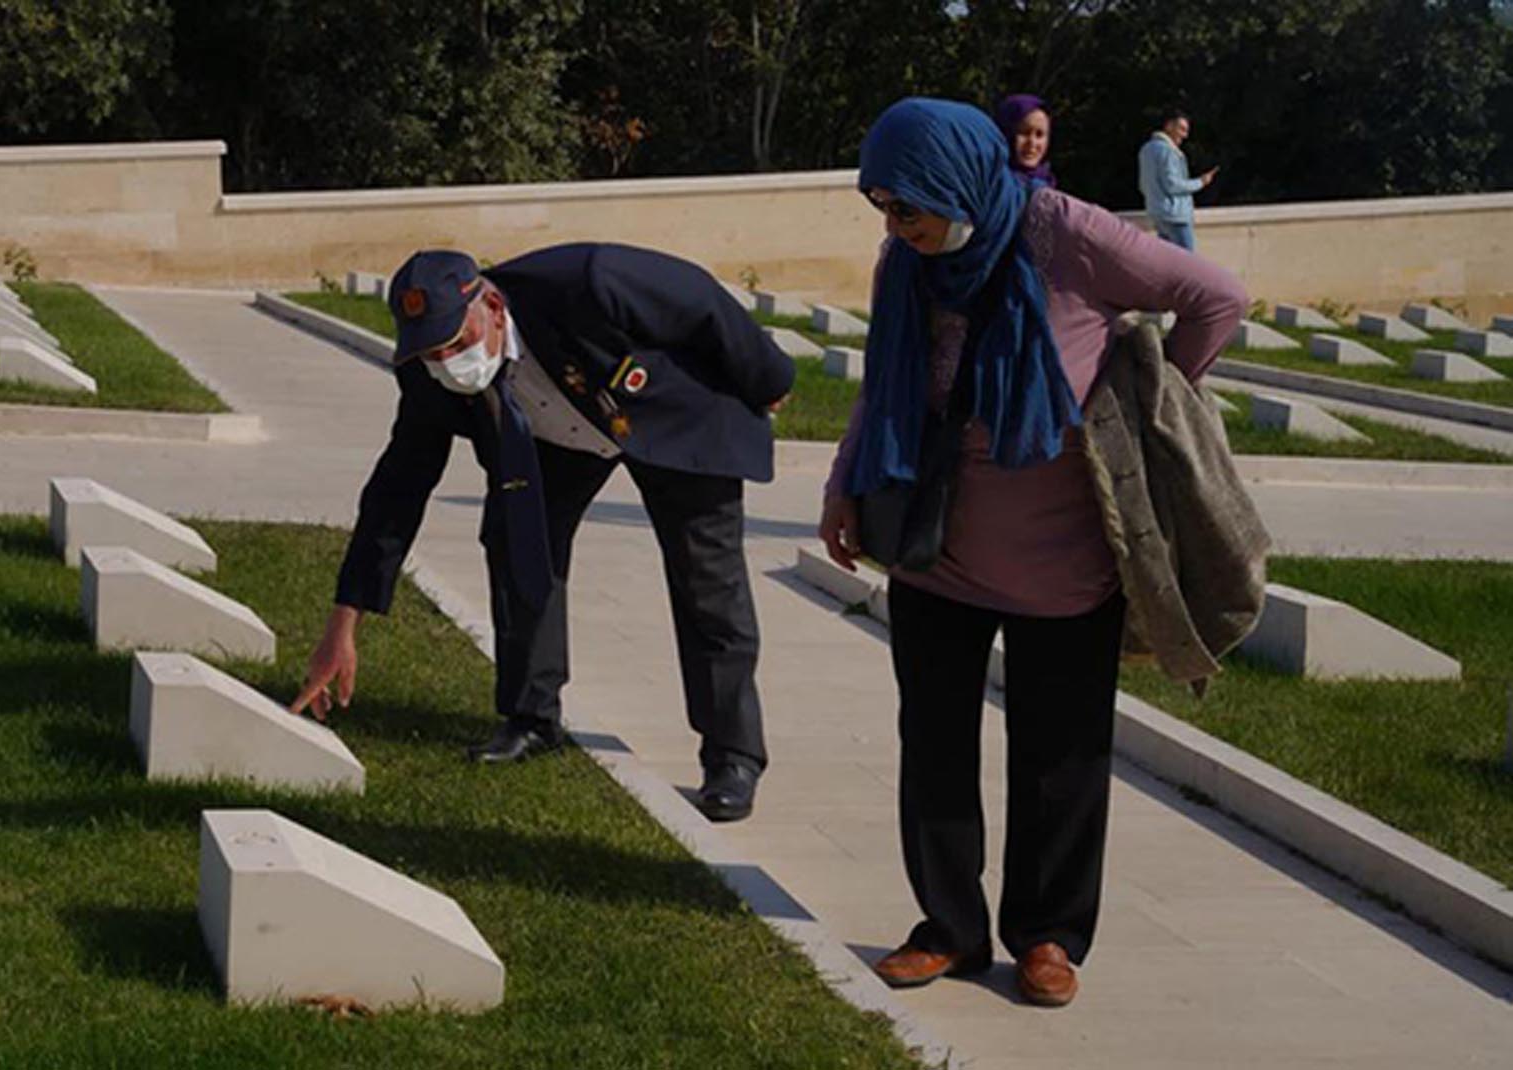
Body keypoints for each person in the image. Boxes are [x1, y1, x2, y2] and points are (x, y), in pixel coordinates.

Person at [816, 99, 1248, 1007]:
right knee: (933, 741)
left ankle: (1049, 938)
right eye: (884, 208)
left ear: (954, 180)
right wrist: (844, 484)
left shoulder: (1065, 234)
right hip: (939, 542)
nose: (895, 227)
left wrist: (1160, 394)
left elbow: (1216, 297)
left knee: (1062, 753)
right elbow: (883, 376)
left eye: (907, 206)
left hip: (1065, 553)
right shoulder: (910, 261)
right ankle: (950, 929)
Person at [291, 245, 796, 822]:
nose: (450, 362)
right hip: (555, 442)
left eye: (458, 342)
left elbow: (698, 299)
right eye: (432, 352)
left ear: (493, 306)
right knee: (515, 538)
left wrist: (770, 378)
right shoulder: (430, 379)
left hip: (671, 415)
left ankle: (732, 756)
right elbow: (396, 492)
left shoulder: (587, 282)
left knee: (706, 578)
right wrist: (342, 623)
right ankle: (531, 717)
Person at [1137, 109, 1215, 251]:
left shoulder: (1146, 149)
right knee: (1187, 264)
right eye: (1182, 129)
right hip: (1176, 216)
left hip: (1158, 215)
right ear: (1169, 126)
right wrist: (1201, 182)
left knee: (1167, 264)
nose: (1185, 135)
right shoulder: (1168, 151)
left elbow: (1143, 185)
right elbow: (1172, 185)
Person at [993, 94, 1056, 189]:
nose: (1032, 142)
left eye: (1039, 135)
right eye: (1024, 133)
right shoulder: (991, 182)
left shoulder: (1047, 183)